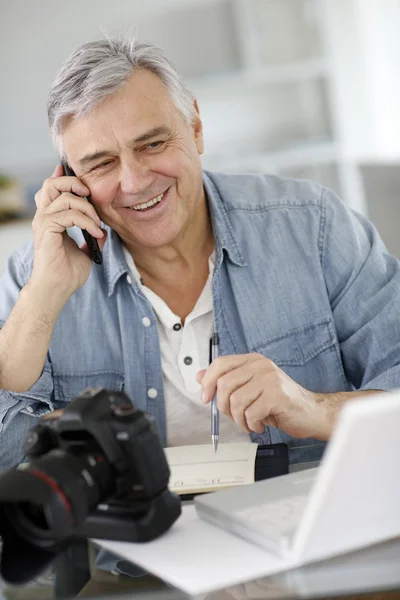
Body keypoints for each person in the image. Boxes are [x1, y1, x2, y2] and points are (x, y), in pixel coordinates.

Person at [1, 34, 400, 471]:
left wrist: (315, 408)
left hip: (308, 525)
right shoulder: (33, 277)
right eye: (101, 164)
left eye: (152, 144)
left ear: (195, 128)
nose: (134, 182)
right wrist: (44, 296)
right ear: (71, 180)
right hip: (131, 538)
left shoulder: (313, 225)